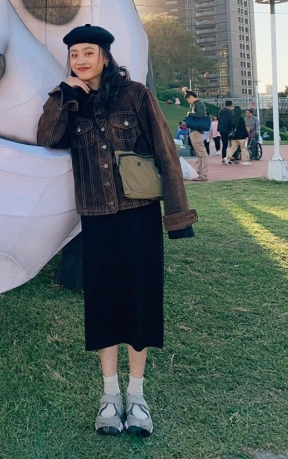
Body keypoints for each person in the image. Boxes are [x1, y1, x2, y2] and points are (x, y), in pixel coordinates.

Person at [37, 24, 197, 438]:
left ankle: (137, 396)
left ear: (105, 56)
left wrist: (177, 217)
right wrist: (65, 97)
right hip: (97, 218)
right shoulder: (67, 99)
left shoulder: (136, 95)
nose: (80, 60)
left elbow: (165, 153)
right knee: (104, 307)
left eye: (88, 52)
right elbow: (48, 138)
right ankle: (110, 396)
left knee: (140, 304)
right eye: (74, 54)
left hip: (139, 215)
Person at [183, 88, 209, 181]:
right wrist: (186, 91)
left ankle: (203, 174)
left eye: (188, 99)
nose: (188, 101)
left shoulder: (199, 103)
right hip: (195, 131)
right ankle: (200, 172)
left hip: (197, 131)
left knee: (202, 153)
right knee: (199, 153)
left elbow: (200, 115)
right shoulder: (197, 103)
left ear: (191, 97)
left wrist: (190, 114)